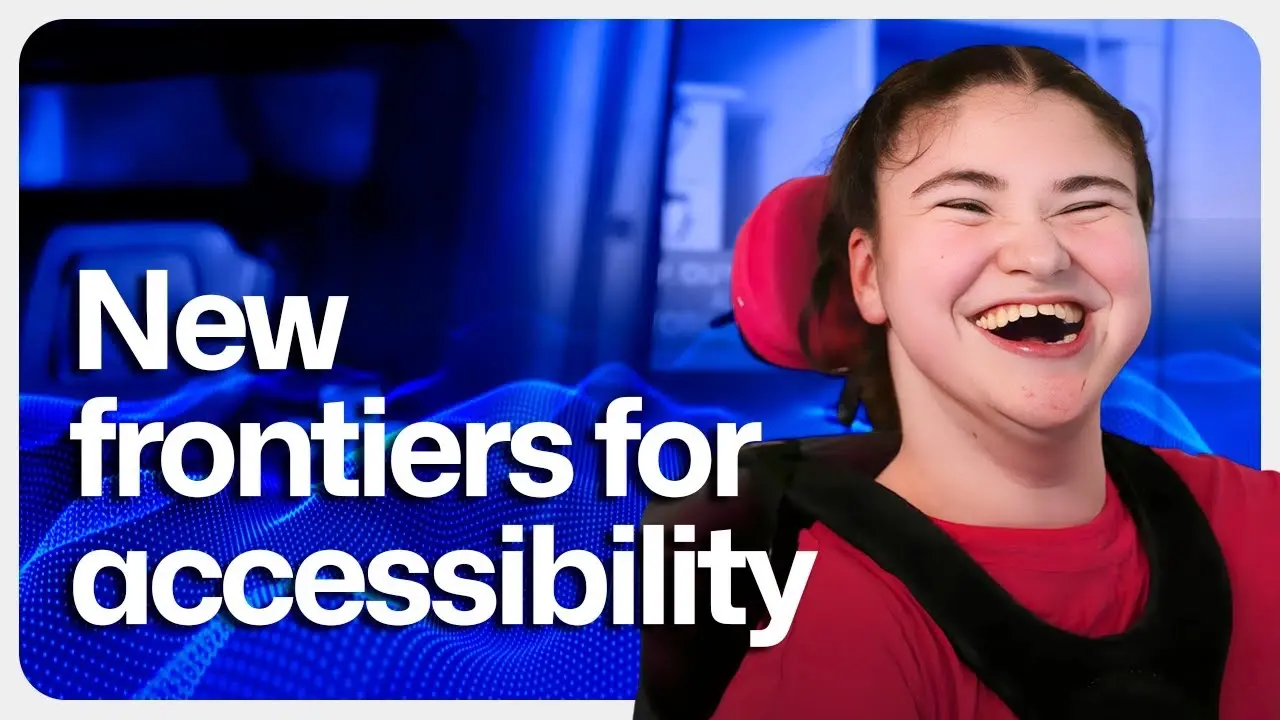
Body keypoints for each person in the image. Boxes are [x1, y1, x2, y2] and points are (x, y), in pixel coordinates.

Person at [634, 45, 1278, 720]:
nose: (1041, 254)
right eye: (968, 204)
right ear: (868, 276)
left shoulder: (1256, 518)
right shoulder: (842, 637)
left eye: (1088, 204)